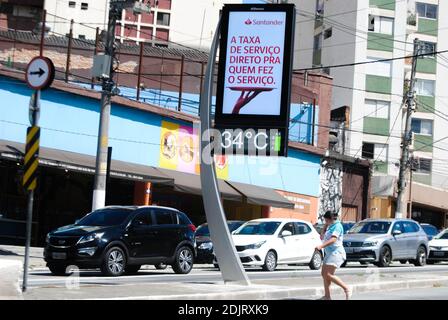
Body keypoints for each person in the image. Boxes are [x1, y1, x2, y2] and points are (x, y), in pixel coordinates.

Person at [316, 211, 352, 300]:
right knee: (324, 274)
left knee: (328, 274)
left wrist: (321, 246)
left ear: (330, 219)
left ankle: (346, 288)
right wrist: (325, 226)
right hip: (329, 253)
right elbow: (322, 237)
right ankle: (327, 296)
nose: (325, 222)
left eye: (326, 220)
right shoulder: (330, 226)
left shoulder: (338, 226)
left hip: (336, 253)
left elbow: (333, 239)